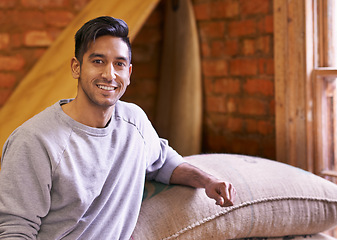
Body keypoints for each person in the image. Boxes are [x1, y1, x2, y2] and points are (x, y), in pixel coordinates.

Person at [0, 16, 236, 239]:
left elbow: (163, 163)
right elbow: (14, 229)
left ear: (129, 73)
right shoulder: (33, 141)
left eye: (119, 64)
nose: (109, 74)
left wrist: (208, 181)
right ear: (76, 67)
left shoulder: (134, 122)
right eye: (98, 61)